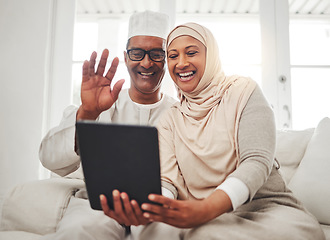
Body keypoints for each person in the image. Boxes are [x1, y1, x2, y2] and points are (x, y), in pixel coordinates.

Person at [102, 22, 326, 239]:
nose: (181, 63)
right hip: (204, 217)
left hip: (267, 210)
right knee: (153, 231)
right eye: (173, 56)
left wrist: (205, 209)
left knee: (207, 234)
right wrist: (151, 209)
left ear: (211, 56)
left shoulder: (242, 91)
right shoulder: (170, 118)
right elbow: (167, 182)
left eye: (191, 53)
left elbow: (256, 161)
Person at [39, 11, 177, 240]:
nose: (146, 62)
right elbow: (48, 158)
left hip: (158, 206)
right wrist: (87, 114)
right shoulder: (99, 104)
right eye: (137, 53)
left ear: (167, 59)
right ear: (125, 57)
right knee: (79, 230)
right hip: (97, 206)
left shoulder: (180, 113)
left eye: (156, 54)